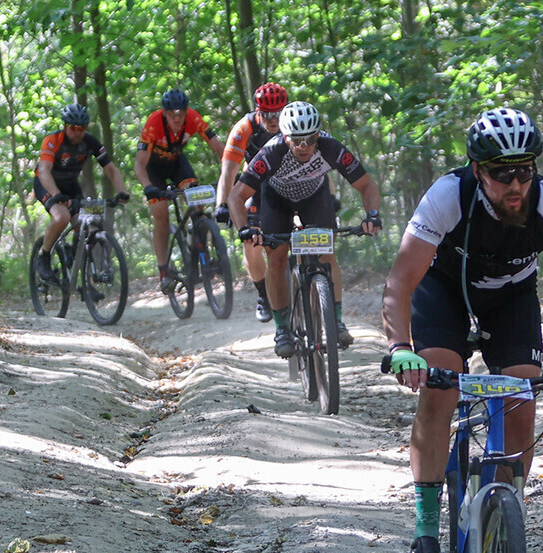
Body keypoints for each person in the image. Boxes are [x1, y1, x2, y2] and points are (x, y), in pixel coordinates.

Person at [380, 107, 543, 553]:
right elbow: (400, 282)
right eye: (502, 174)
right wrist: (401, 346)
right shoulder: (449, 196)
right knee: (439, 385)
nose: (516, 185)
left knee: (521, 396)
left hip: (510, 298)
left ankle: (505, 520)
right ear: (477, 170)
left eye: (524, 171)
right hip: (444, 290)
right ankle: (425, 530)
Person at [229, 101, 381, 357]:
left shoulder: (331, 147)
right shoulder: (271, 152)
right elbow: (236, 196)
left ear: (318, 135)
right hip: (276, 199)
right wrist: (245, 228)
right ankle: (283, 329)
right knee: (276, 259)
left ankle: (336, 319)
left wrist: (373, 215)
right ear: (284, 136)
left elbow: (367, 185)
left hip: (314, 196)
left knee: (326, 254)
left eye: (310, 139)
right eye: (296, 140)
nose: (304, 146)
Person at [134, 88, 226, 294]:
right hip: (153, 169)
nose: (176, 119)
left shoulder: (193, 118)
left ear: (186, 112)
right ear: (164, 113)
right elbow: (139, 164)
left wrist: (232, 169)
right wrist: (148, 187)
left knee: (197, 201)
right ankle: (163, 271)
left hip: (176, 165)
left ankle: (202, 248)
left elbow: (217, 145)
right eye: (172, 114)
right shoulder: (154, 122)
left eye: (180, 114)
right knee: (161, 217)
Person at [215, 82, 288, 324]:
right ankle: (263, 295)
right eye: (267, 114)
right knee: (251, 241)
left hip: (291, 182)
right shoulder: (244, 128)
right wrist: (222, 204)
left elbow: (319, 162)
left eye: (278, 113)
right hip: (255, 184)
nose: (274, 119)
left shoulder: (294, 120)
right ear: (258, 111)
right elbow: (228, 171)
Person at [32, 103, 130, 281]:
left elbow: (110, 169)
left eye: (81, 129)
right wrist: (56, 195)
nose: (77, 132)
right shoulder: (53, 140)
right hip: (46, 184)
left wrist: (122, 191)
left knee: (88, 224)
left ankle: (81, 274)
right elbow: (44, 170)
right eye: (73, 128)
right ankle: (44, 257)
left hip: (70, 185)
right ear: (65, 126)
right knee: (62, 217)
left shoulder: (90, 142)